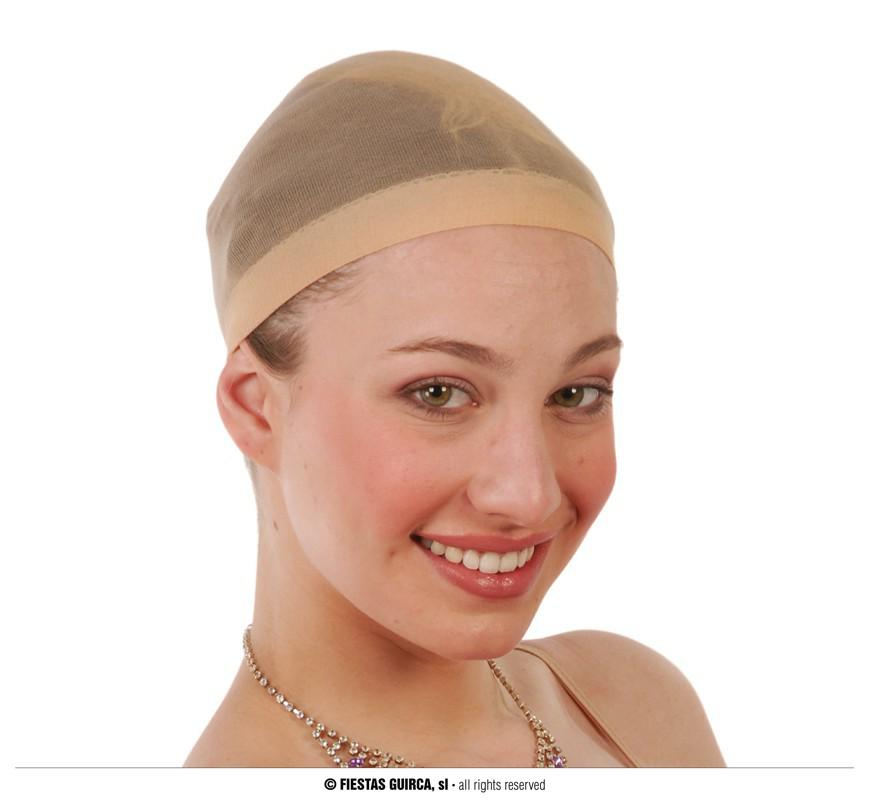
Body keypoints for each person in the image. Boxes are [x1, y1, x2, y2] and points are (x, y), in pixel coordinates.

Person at [183, 49, 725, 768]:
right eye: (437, 393)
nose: (528, 496)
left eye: (576, 394)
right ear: (255, 409)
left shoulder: (636, 707)